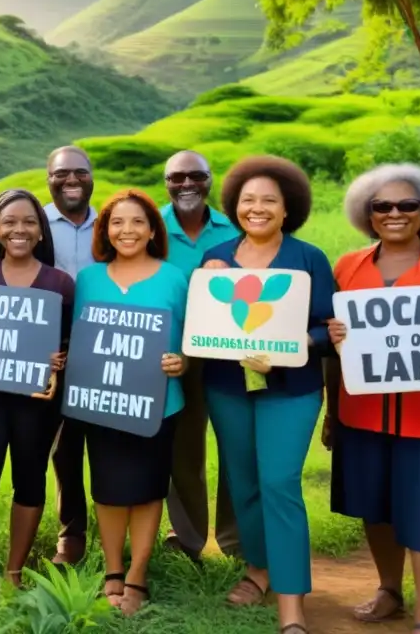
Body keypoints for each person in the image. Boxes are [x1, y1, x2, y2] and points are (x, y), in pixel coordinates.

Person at [324, 164, 420, 634]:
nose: (394, 214)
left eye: (406, 205)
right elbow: (339, 352)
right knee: (378, 506)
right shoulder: (347, 267)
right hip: (365, 413)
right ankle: (389, 589)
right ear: (367, 214)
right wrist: (333, 410)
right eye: (382, 206)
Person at [199, 156, 334, 634]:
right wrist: (209, 279)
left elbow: (328, 329)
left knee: (279, 483)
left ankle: (291, 603)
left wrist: (301, 345)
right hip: (228, 388)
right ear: (234, 205)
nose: (257, 208)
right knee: (244, 484)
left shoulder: (308, 258)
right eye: (247, 200)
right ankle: (259, 569)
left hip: (291, 390)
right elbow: (203, 324)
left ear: (287, 208)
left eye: (269, 201)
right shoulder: (214, 256)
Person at [0, 188, 74, 597]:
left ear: (41, 231)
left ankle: (13, 574)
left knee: (30, 481)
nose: (19, 229)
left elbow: (70, 342)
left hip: (36, 401)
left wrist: (60, 360)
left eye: (28, 222)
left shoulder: (60, 283)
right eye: (10, 222)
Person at [74, 188, 189, 616]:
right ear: (105, 230)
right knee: (106, 489)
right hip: (100, 403)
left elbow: (189, 341)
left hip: (158, 404)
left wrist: (183, 362)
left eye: (138, 221)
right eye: (117, 222)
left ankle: (138, 574)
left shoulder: (174, 278)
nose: (128, 230)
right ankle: (113, 571)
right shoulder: (88, 279)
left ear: (152, 229)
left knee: (146, 490)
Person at [160, 149, 241, 563]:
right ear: (166, 182)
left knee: (235, 445)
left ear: (211, 178)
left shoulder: (235, 228)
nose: (186, 184)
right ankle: (188, 538)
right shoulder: (152, 226)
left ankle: (235, 540)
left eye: (196, 175)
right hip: (175, 356)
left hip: (230, 355)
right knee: (183, 449)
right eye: (176, 177)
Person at [43, 145, 96, 565]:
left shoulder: (111, 223)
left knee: (114, 440)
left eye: (79, 172)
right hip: (52, 351)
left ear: (91, 176)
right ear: (49, 178)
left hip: (107, 346)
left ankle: (124, 527)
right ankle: (71, 534)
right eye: (62, 174)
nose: (71, 180)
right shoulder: (35, 223)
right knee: (63, 448)